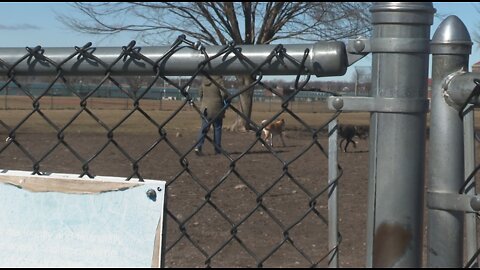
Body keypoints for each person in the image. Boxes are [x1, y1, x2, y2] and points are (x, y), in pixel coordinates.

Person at [194, 75, 228, 155]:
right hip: (217, 108)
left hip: (205, 107)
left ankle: (198, 146)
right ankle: (217, 148)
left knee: (204, 128)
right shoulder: (219, 80)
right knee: (217, 128)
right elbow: (224, 94)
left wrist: (205, 99)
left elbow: (200, 92)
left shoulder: (204, 80)